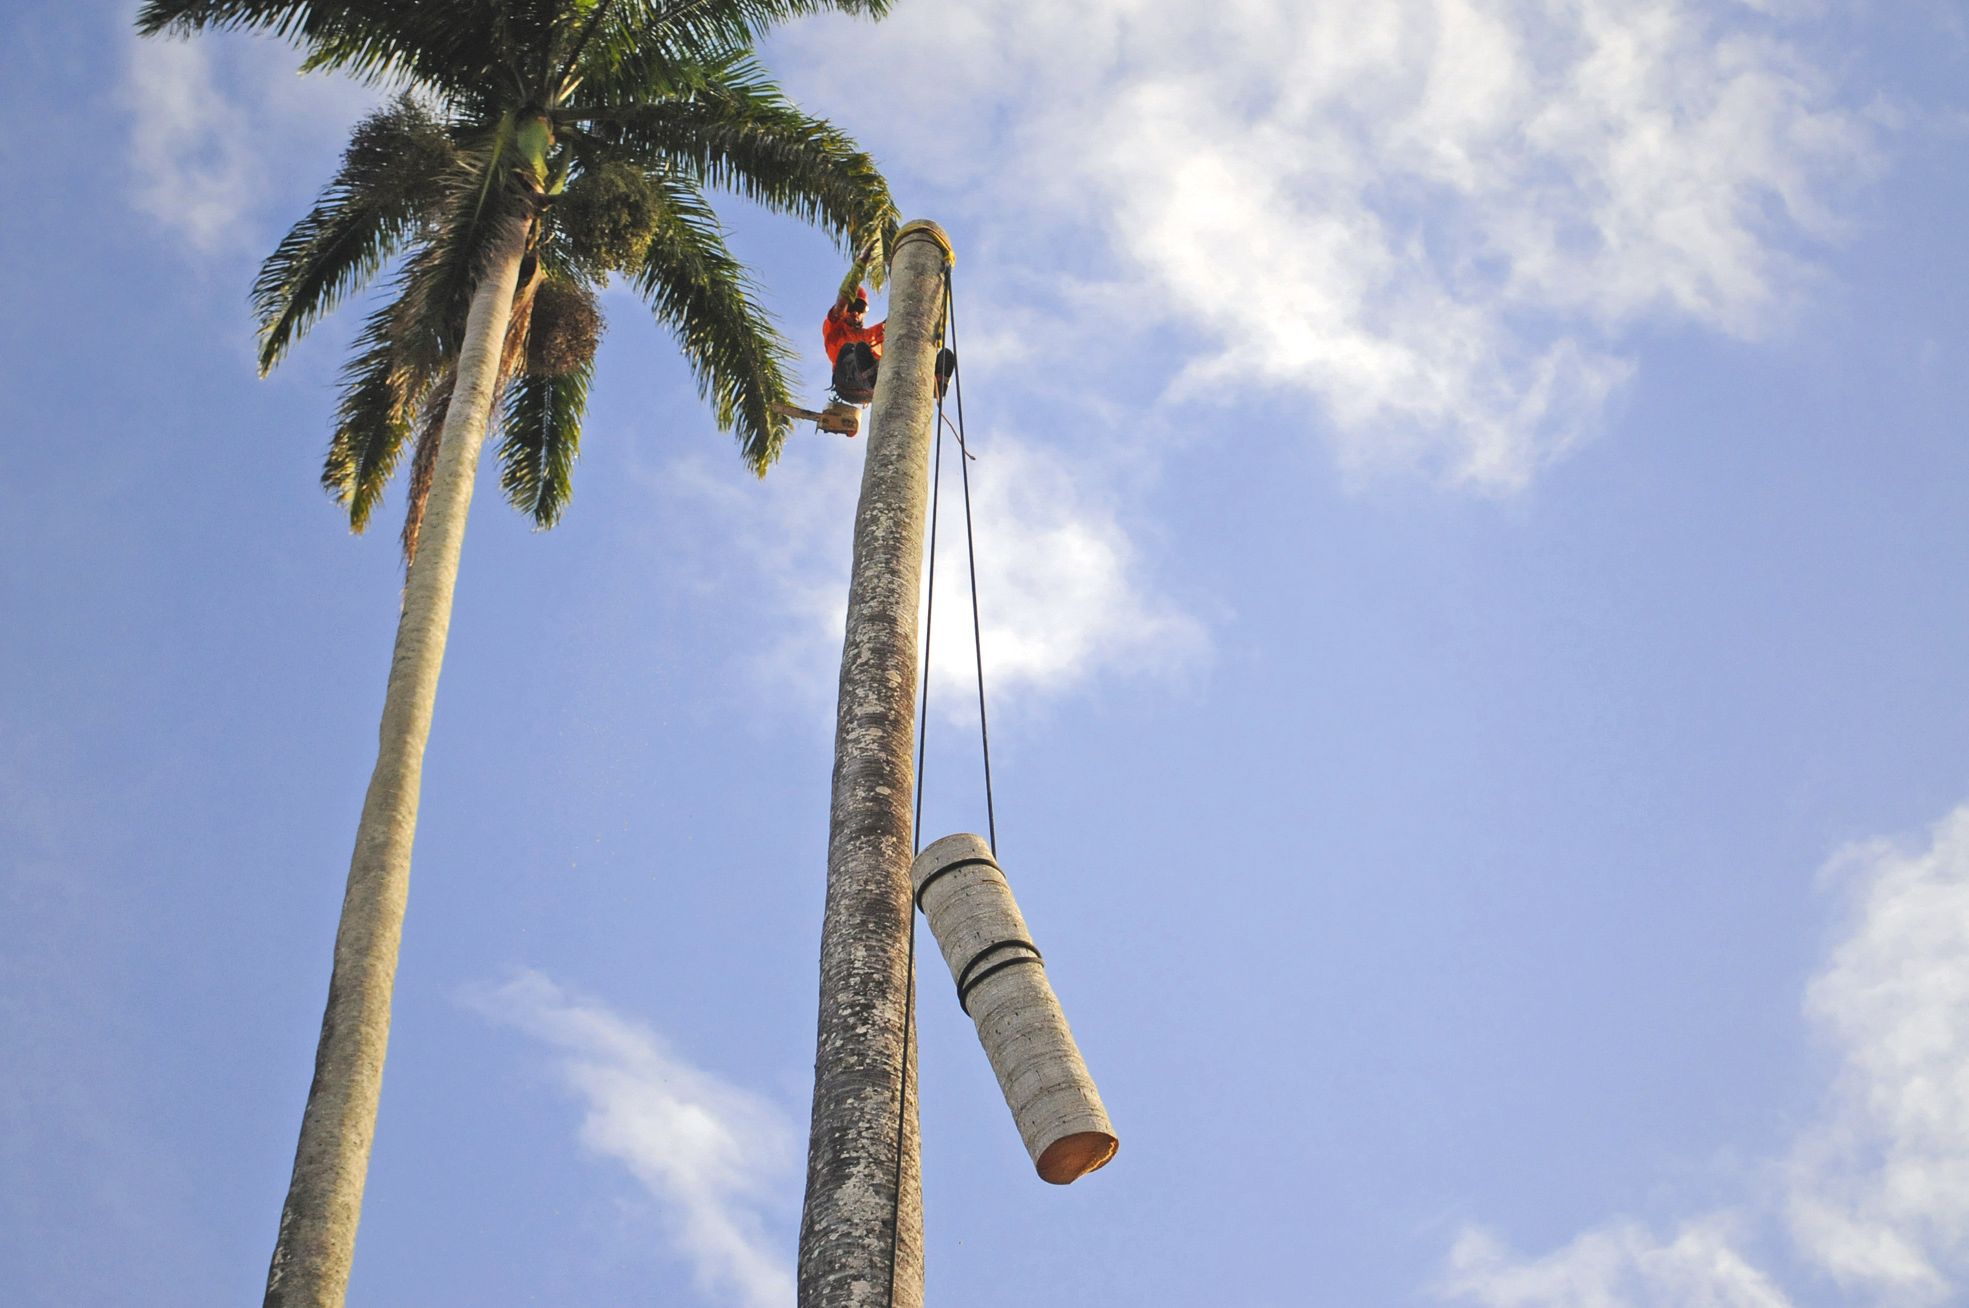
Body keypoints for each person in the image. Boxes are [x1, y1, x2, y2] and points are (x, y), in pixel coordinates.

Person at [824, 284, 883, 404]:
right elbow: (839, 307)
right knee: (851, 348)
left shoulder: (867, 335)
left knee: (866, 349)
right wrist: (855, 275)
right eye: (852, 307)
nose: (855, 312)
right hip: (846, 384)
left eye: (860, 308)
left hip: (869, 393)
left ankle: (877, 376)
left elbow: (891, 323)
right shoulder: (835, 329)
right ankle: (871, 376)